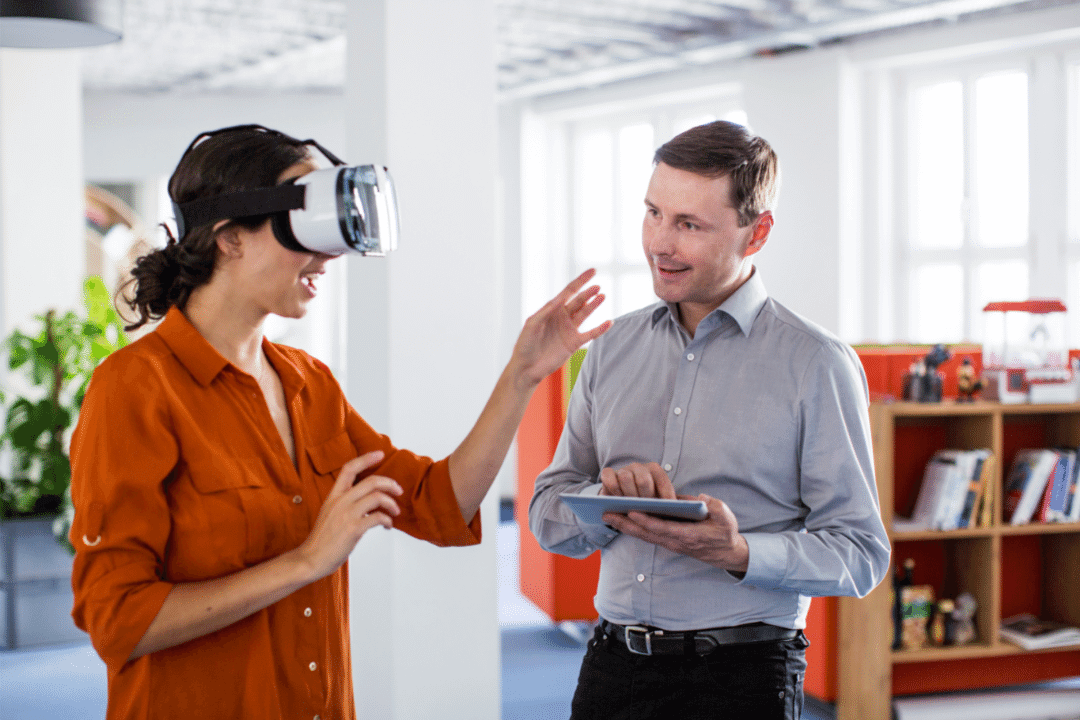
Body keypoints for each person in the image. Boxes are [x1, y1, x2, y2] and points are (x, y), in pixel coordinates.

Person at [68, 125, 611, 720]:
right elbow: (118, 620)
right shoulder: (136, 388)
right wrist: (305, 561)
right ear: (229, 238)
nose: (328, 256)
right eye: (303, 226)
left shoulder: (308, 383)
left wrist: (522, 376)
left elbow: (439, 503)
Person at [528, 120, 891, 720]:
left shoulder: (815, 363)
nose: (659, 244)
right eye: (653, 214)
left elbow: (859, 555)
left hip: (741, 679)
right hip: (611, 667)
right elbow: (547, 517)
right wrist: (604, 501)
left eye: (688, 225)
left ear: (758, 232)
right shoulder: (611, 349)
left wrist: (741, 551)